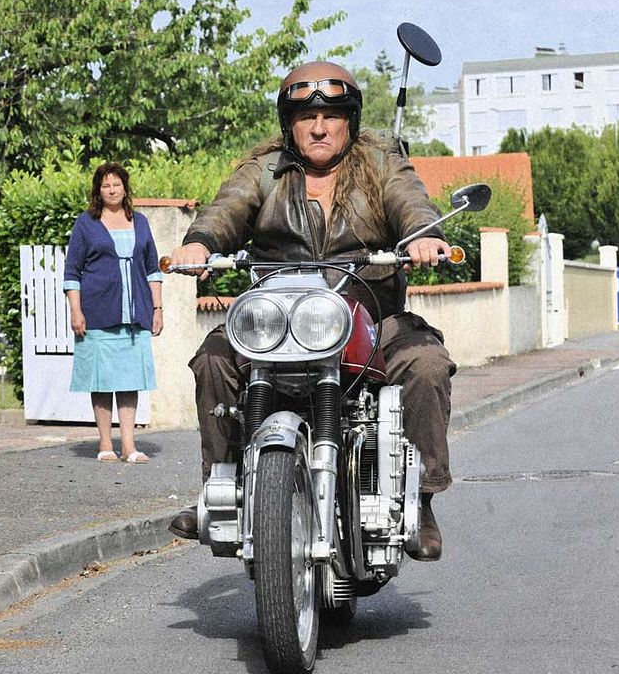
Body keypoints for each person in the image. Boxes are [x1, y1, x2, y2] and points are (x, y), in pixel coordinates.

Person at [166, 62, 455, 561]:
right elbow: (227, 207)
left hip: (367, 314)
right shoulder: (265, 168)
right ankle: (222, 484)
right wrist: (200, 242)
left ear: (351, 120)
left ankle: (421, 498)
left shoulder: (381, 161)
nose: (319, 126)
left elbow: (411, 202)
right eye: (306, 116)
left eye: (332, 114)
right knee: (213, 356)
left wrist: (425, 235)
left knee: (425, 363)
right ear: (289, 123)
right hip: (278, 320)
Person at [63, 162, 164, 464]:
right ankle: (105, 443)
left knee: (130, 381)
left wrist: (157, 308)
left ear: (125, 188)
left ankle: (130, 447)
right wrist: (75, 310)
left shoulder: (140, 221)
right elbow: (72, 270)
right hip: (97, 314)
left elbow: (152, 269)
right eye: (106, 185)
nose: (111, 190)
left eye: (116, 184)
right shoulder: (86, 223)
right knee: (102, 381)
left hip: (135, 314)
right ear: (98, 190)